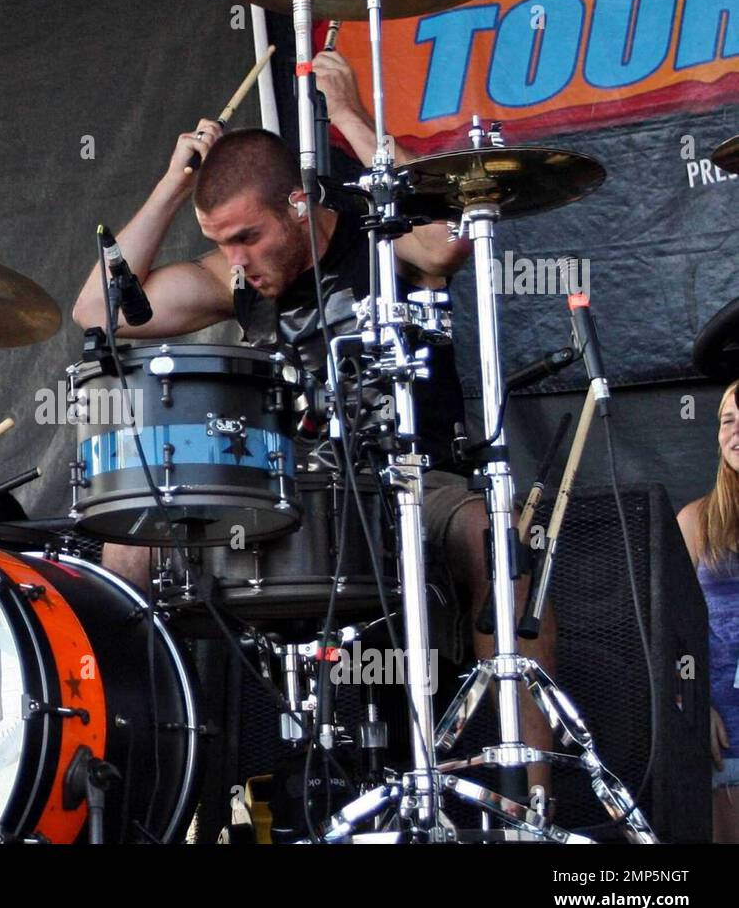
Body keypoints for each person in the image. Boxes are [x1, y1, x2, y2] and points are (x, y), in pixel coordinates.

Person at [70, 49, 556, 794]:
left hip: (409, 480)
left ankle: (532, 792)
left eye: (246, 237)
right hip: (282, 498)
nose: (235, 258)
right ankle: (136, 790)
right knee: (124, 545)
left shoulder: (384, 229)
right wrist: (174, 184)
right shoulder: (233, 281)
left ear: (299, 202)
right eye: (220, 239)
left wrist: (355, 120)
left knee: (496, 542)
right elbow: (96, 313)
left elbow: (452, 237)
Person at [675, 381, 739, 844]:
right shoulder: (696, 520)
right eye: (727, 421)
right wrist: (694, 701)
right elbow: (670, 630)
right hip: (726, 724)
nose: (735, 432)